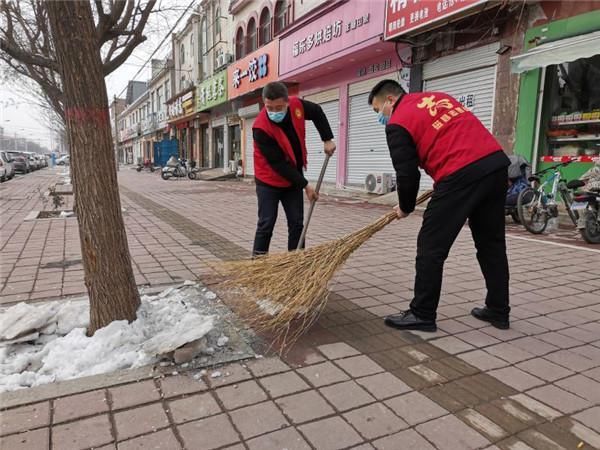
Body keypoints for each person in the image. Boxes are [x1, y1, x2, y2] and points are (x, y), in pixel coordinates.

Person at [368, 79, 511, 331]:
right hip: (495, 165)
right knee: (491, 244)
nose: (381, 117)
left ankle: (422, 313)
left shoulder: (398, 121)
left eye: (379, 110)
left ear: (390, 100)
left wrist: (405, 207)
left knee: (430, 247)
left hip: (460, 174)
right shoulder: (438, 97)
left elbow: (407, 174)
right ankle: (498, 310)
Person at [252, 81, 336, 256]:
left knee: (297, 223)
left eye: (279, 107)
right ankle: (258, 265)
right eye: (269, 108)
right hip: (268, 180)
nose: (274, 112)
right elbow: (279, 164)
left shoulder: (297, 106)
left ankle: (296, 265)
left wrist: (327, 138)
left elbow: (317, 112)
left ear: (287, 102)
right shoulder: (260, 128)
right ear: (264, 104)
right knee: (266, 223)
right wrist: (305, 185)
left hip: (293, 178)